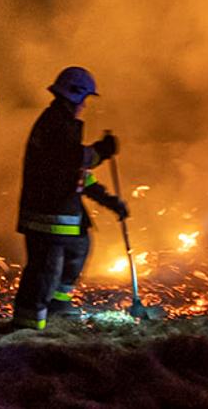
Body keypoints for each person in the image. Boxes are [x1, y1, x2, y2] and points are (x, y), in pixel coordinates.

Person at [9, 66, 126, 330]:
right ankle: (29, 326)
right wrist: (101, 151)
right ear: (73, 95)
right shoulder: (55, 123)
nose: (85, 105)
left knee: (79, 247)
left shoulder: (65, 123)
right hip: (47, 211)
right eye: (84, 98)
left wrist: (108, 200)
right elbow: (71, 158)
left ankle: (58, 306)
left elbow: (78, 174)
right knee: (44, 271)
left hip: (62, 209)